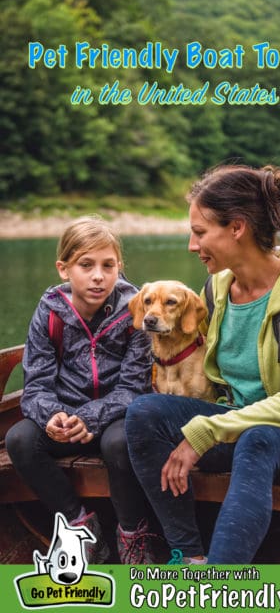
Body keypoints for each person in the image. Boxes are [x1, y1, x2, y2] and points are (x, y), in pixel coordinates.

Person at [125, 164, 280, 564]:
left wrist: (208, 428)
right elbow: (178, 344)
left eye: (199, 232)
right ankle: (188, 556)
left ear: (237, 228)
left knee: (257, 439)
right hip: (236, 422)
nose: (192, 246)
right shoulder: (215, 289)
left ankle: (219, 582)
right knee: (143, 414)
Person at [6, 215, 163, 564]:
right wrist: (53, 416)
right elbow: (36, 387)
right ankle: (80, 527)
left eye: (108, 265)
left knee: (121, 442)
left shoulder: (134, 312)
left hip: (115, 416)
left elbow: (133, 386)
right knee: (19, 439)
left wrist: (90, 416)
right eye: (86, 265)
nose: (98, 276)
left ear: (119, 266)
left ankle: (132, 534)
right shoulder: (49, 312)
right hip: (64, 417)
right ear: (64, 269)